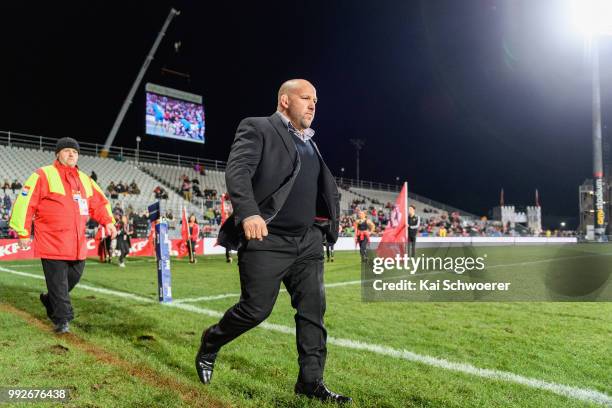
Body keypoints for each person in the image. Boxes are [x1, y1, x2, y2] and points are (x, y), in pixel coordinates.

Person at [197, 79, 349, 403]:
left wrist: (327, 225)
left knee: (313, 312)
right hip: (267, 238)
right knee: (255, 310)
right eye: (306, 98)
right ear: (284, 100)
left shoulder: (310, 142)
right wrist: (249, 213)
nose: (313, 104)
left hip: (307, 242)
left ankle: (310, 383)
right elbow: (237, 171)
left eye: (315, 100)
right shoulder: (258, 127)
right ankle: (211, 341)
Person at [9, 137, 117, 333]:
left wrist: (108, 221)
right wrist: (23, 231)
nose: (71, 154)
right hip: (51, 241)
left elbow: (99, 204)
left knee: (72, 278)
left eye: (75, 152)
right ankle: (62, 319)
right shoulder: (43, 174)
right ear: (58, 154)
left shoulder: (85, 179)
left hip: (77, 244)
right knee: (58, 283)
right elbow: (25, 202)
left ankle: (49, 299)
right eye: (67, 151)